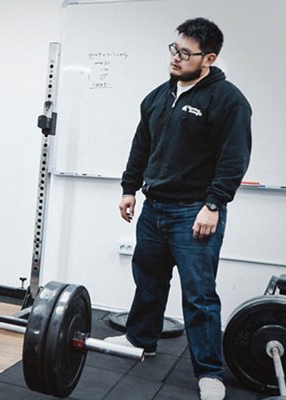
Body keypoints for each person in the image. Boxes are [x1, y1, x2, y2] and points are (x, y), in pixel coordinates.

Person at [104, 18, 252, 400]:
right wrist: (129, 189)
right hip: (154, 209)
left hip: (194, 213)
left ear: (209, 58)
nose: (176, 57)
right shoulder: (157, 97)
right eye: (175, 49)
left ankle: (209, 372)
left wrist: (213, 205)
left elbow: (234, 159)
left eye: (186, 53)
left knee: (199, 294)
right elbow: (141, 147)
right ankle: (141, 339)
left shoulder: (228, 100)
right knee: (149, 280)